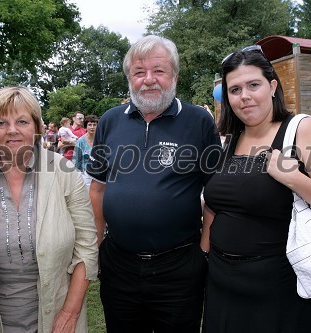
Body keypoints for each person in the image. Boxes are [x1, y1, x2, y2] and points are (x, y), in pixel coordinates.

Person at [201, 45, 311, 332]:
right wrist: (203, 255)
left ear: (273, 86)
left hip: (282, 292)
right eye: (235, 89)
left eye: (254, 85)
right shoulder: (231, 139)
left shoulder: (302, 129)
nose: (245, 96)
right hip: (223, 286)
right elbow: (218, 205)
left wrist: (295, 179)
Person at [86, 35, 221, 333]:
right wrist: (97, 244)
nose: (149, 80)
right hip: (119, 264)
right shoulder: (109, 121)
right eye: (139, 72)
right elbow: (97, 188)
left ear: (174, 75)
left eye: (158, 71)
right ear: (129, 78)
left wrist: (203, 251)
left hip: (180, 266)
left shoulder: (199, 121)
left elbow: (214, 194)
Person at [0, 86, 98, 333]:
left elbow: (86, 249)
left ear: (36, 127)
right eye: (1, 122)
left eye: (22, 121)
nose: (12, 130)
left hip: (55, 320)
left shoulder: (66, 174)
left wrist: (69, 313)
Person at [73, 115, 98, 189]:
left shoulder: (101, 139)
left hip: (99, 175)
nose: (92, 127)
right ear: (86, 126)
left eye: (94, 125)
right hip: (85, 174)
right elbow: (76, 160)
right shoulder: (81, 141)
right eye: (90, 125)